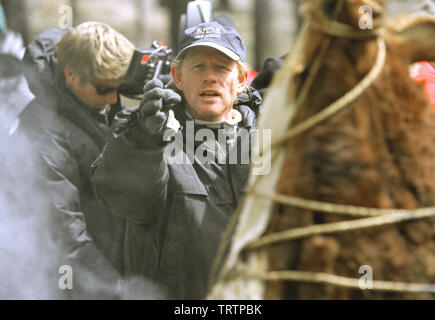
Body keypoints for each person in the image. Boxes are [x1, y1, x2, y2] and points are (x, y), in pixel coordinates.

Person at [91, 21, 259, 299]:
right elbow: (126, 201)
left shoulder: (270, 138)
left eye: (221, 67)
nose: (209, 77)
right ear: (177, 77)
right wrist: (144, 140)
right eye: (198, 67)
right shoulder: (148, 129)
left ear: (241, 80)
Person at [6, 21, 134, 299]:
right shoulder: (43, 134)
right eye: (104, 89)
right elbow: (65, 233)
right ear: (71, 75)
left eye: (119, 88)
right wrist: (115, 287)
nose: (113, 99)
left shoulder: (87, 102)